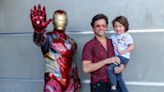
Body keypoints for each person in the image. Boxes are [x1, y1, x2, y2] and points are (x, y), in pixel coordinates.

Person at [30, 5, 80, 92]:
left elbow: (73, 63)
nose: (60, 21)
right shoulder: (49, 38)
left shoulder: (72, 42)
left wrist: (76, 79)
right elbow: (39, 41)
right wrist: (38, 31)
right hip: (53, 82)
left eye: (62, 19)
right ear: (53, 20)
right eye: (58, 18)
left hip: (69, 83)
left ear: (66, 21)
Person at [82, 13, 123, 92]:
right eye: (98, 26)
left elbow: (124, 58)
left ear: (106, 27)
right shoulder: (89, 45)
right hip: (99, 85)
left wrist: (121, 67)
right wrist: (106, 61)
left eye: (103, 25)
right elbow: (86, 68)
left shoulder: (113, 42)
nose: (101, 28)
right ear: (93, 28)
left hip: (115, 83)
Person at [107, 16, 134, 92]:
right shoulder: (113, 36)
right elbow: (106, 41)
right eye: (115, 26)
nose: (118, 28)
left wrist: (122, 52)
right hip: (118, 57)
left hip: (123, 57)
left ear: (125, 27)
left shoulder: (126, 36)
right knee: (118, 75)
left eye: (120, 26)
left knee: (109, 69)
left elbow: (132, 46)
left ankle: (113, 86)